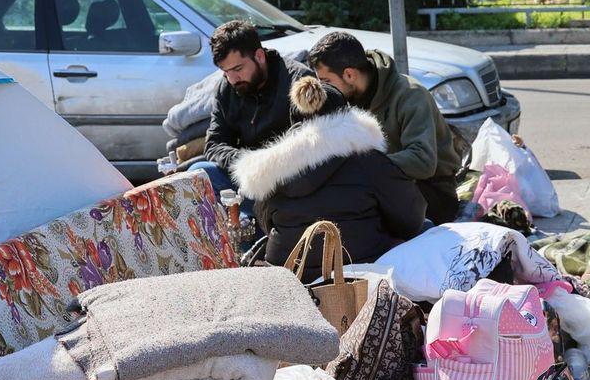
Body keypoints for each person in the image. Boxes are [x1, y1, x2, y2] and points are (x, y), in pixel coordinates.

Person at [233, 76, 426, 279]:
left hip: (291, 278)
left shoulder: (271, 169)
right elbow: (411, 219)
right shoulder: (368, 160)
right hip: (359, 274)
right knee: (427, 227)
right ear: (346, 116)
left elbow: (266, 223)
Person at [306, 31, 463, 226]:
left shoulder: (410, 95)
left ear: (349, 74)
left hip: (431, 191)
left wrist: (362, 166)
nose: (324, 89)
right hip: (380, 185)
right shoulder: (344, 98)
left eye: (326, 81)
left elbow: (422, 161)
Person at [196, 19, 313, 208]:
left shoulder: (297, 81)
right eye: (225, 72)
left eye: (238, 69)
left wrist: (267, 164)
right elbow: (215, 144)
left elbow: (310, 144)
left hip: (289, 183)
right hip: (248, 178)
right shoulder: (226, 88)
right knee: (200, 173)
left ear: (259, 56)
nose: (232, 79)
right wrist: (248, 162)